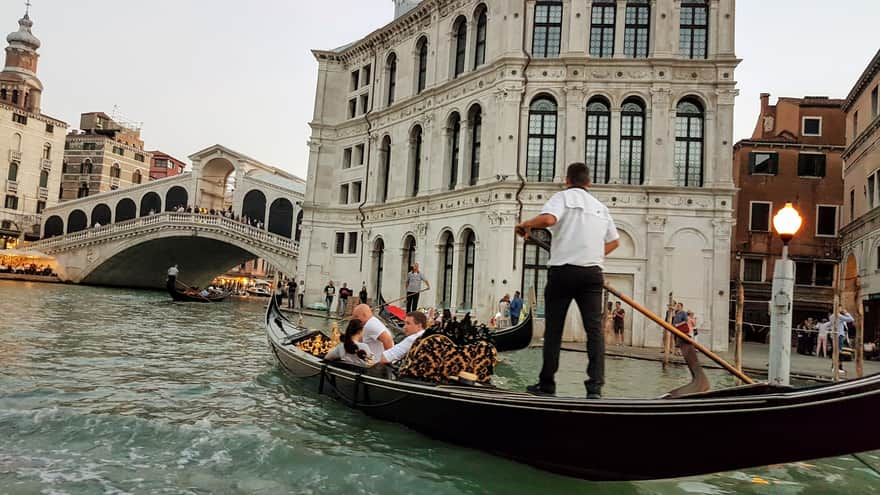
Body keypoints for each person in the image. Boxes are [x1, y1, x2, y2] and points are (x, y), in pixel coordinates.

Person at [515, 162, 620, 399]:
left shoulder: (562, 198)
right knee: (594, 332)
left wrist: (525, 224)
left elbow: (549, 220)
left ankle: (547, 385)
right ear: (589, 182)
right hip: (593, 274)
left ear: (567, 180)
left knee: (554, 331)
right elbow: (615, 242)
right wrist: (592, 253)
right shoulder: (601, 208)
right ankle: (595, 388)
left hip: (563, 273)